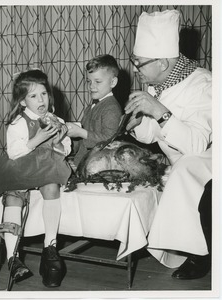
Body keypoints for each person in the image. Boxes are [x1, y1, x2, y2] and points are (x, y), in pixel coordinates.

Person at [124, 10, 212, 279]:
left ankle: (201, 253)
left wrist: (159, 110)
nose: (135, 69)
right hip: (182, 160)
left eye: (139, 63)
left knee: (184, 169)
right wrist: (137, 124)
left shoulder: (204, 84)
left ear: (162, 62)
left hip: (208, 157)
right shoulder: (157, 81)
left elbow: (197, 145)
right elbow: (153, 134)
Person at [0, 69, 72, 287]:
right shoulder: (18, 123)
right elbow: (14, 152)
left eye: (43, 94)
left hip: (46, 167)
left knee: (52, 186)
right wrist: (38, 138)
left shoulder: (57, 119)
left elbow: (66, 150)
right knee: (14, 195)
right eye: (33, 96)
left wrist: (59, 142)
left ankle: (50, 246)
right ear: (23, 101)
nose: (41, 100)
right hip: (20, 166)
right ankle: (12, 257)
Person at [66, 54, 123, 167]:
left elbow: (109, 140)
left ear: (113, 82)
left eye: (97, 81)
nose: (91, 86)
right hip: (83, 162)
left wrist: (81, 132)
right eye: (89, 81)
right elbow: (83, 140)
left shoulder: (111, 108)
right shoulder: (92, 106)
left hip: (99, 165)